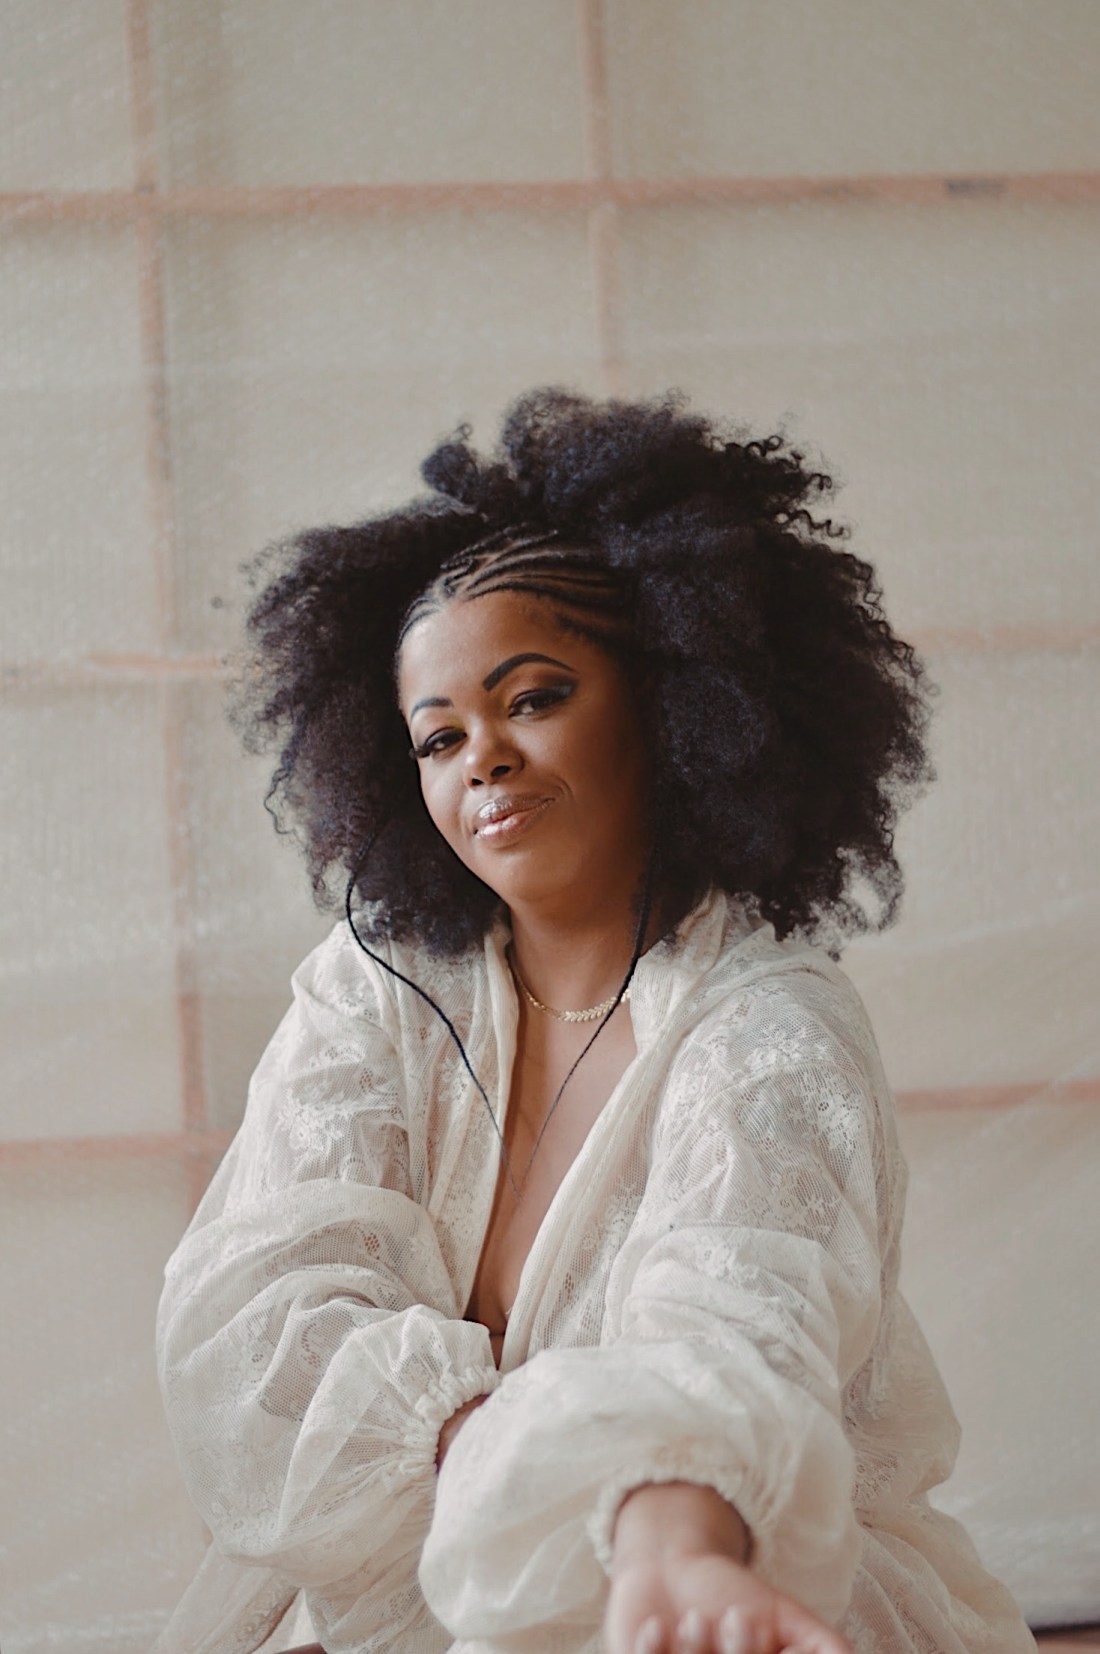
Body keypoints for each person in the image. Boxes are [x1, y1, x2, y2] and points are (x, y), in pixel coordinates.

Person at [153, 390, 1035, 1654]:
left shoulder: (768, 1021)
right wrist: (510, 1451)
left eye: (533, 696)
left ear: (675, 701)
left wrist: (661, 1532)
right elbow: (252, 1320)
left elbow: (738, 1328)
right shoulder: (376, 982)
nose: (481, 758)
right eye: (437, 737)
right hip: (391, 1593)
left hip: (703, 1576)